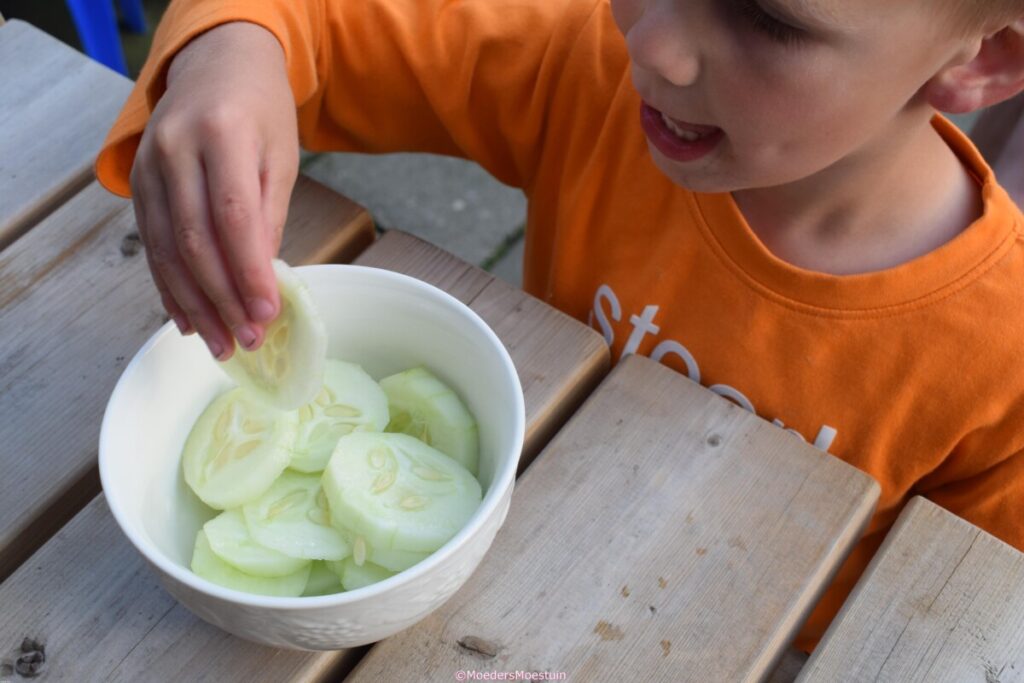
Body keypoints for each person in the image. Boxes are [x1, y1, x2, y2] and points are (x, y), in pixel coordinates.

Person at [95, 0, 1024, 651]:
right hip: (479, 608)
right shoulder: (586, 69)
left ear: (984, 59)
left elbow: (962, 629)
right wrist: (230, 54)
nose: (652, 41)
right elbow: (314, 18)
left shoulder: (1001, 360)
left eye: (769, 18)